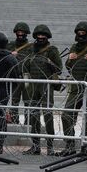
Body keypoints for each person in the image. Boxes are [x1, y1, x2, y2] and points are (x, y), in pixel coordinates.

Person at [60, 21, 87, 156]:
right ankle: (70, 145)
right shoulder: (74, 47)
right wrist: (69, 60)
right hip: (75, 88)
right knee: (66, 115)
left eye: (83, 33)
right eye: (78, 33)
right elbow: (69, 67)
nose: (80, 35)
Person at [21, 24, 62, 156]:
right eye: (38, 35)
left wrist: (50, 63)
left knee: (48, 116)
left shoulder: (52, 50)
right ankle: (35, 146)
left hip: (46, 85)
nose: (40, 37)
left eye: (43, 35)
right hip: (33, 85)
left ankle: (50, 147)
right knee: (33, 117)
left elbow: (59, 68)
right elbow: (24, 66)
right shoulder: (31, 50)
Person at [7, 22, 33, 125]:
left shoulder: (31, 47)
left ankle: (28, 123)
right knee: (14, 101)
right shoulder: (10, 46)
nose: (20, 34)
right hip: (15, 76)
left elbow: (31, 60)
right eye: (18, 32)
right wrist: (10, 55)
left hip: (26, 76)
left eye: (22, 32)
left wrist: (19, 56)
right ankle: (14, 122)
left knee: (28, 101)